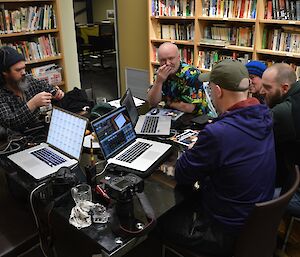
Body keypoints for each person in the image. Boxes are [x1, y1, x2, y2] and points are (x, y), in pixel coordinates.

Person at [159, 60, 276, 256]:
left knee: (156, 221)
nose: (210, 93)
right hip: (254, 223)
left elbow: (182, 173)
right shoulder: (264, 115)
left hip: (224, 231)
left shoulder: (218, 133)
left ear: (219, 91)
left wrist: (198, 146)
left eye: (210, 88)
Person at [261, 63, 300, 213]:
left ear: (285, 88)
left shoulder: (283, 112)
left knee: (249, 195)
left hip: (296, 194)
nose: (262, 91)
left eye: (268, 87)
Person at [0, 46, 64, 132]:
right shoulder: (2, 94)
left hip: (38, 131)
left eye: (24, 68)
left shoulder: (28, 80)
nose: (23, 73)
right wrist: (33, 104)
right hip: (16, 140)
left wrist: (56, 93)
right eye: (18, 70)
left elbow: (48, 88)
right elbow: (10, 123)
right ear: (5, 72)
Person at [147, 42, 208, 115]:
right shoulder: (160, 72)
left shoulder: (192, 74)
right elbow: (152, 102)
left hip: (193, 118)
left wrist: (168, 103)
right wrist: (158, 82)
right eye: (163, 60)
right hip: (170, 114)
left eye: (171, 58)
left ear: (179, 57)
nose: (167, 63)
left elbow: (189, 108)